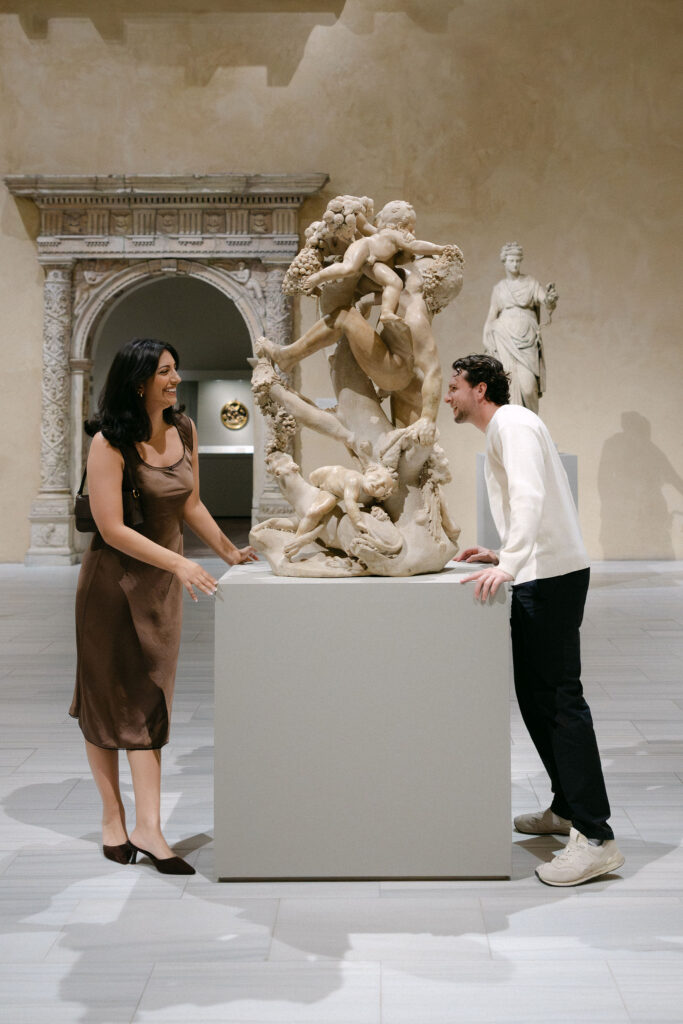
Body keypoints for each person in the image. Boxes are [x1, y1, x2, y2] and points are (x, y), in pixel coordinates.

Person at [70, 338, 257, 874]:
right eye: (165, 372)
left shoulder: (184, 429)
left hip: (160, 590)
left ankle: (149, 827)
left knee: (150, 699)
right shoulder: (109, 442)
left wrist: (228, 552)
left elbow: (190, 502)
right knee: (107, 701)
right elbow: (111, 528)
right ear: (138, 383)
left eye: (175, 369)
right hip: (112, 587)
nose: (175, 379)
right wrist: (180, 563)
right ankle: (115, 818)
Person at [444, 353, 624, 886]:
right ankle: (567, 808)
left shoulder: (513, 423)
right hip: (540, 575)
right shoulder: (508, 427)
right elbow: (530, 505)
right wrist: (505, 554)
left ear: (480, 389)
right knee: (536, 698)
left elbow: (530, 495)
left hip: (550, 579)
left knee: (561, 703)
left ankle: (596, 838)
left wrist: (511, 562)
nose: (448, 397)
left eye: (454, 387)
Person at [482, 242, 558, 412]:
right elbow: (491, 316)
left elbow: (545, 300)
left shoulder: (530, 283)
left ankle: (531, 424)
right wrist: (486, 341)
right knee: (507, 387)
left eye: (518, 260)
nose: (515, 264)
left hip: (527, 339)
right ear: (505, 262)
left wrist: (550, 299)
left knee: (528, 388)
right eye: (511, 260)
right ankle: (513, 424)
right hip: (503, 338)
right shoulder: (499, 288)